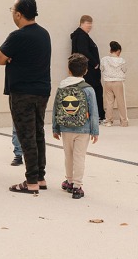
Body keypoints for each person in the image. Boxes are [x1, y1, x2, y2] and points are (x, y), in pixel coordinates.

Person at [0, 0, 52, 195]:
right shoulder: (45, 34)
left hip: (22, 93)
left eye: (12, 10)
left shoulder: (17, 36)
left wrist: (12, 58)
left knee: (26, 136)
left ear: (18, 14)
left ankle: (31, 182)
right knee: (38, 133)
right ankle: (41, 177)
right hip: (42, 91)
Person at [52, 52, 99, 200]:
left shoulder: (62, 86)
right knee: (79, 157)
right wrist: (94, 130)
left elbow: (56, 108)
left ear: (69, 70)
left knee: (68, 156)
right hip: (83, 128)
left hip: (65, 127)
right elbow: (94, 111)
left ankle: (69, 181)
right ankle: (77, 187)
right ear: (85, 71)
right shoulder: (88, 89)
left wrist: (55, 127)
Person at [70, 15, 105, 122]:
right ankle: (97, 116)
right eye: (87, 24)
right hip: (89, 71)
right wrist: (95, 63)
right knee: (94, 91)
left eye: (91, 24)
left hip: (85, 69)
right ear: (81, 23)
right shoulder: (82, 36)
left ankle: (93, 115)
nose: (90, 26)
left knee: (89, 92)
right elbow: (83, 51)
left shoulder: (80, 35)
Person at [100, 41, 128, 126]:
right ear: (118, 51)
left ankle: (108, 121)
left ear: (111, 50)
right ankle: (124, 122)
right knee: (121, 102)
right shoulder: (122, 60)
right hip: (118, 82)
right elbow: (124, 70)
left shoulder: (104, 59)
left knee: (109, 102)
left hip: (107, 82)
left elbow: (102, 69)